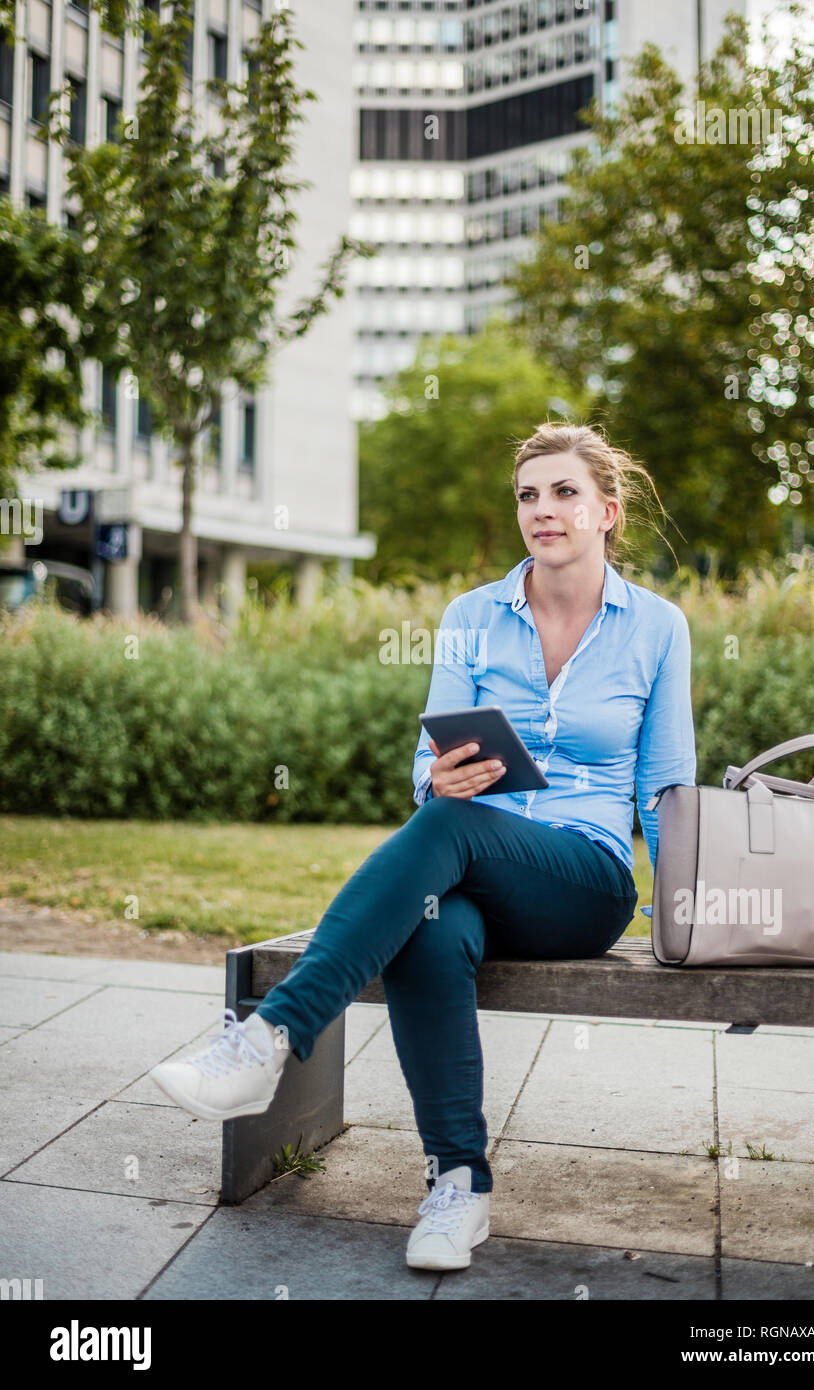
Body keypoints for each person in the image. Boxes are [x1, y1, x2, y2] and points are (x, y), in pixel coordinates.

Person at [149, 421, 697, 1273]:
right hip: (472, 865)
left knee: (442, 836)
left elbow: (667, 789)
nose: (541, 510)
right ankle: (459, 1185)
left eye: (563, 494)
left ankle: (270, 1038)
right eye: (527, 494)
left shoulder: (657, 627)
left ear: (607, 513)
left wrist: (689, 921)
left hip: (584, 880)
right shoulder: (471, 616)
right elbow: (425, 765)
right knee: (430, 926)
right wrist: (437, 779)